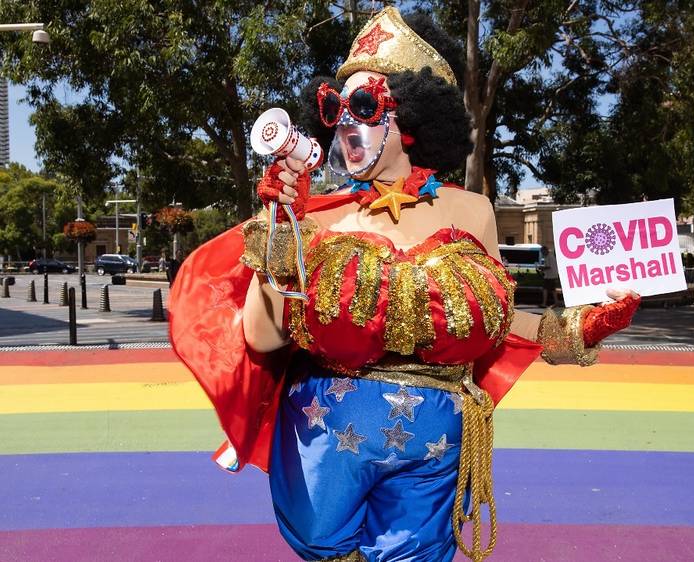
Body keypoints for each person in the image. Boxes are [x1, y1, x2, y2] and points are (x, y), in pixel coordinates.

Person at [169, 8, 640, 562]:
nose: (346, 121)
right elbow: (262, 339)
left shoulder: (473, 213)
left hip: (433, 444)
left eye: (365, 105)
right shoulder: (316, 219)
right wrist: (282, 231)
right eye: (333, 107)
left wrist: (582, 326)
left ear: (409, 116)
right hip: (322, 450)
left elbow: (498, 323)